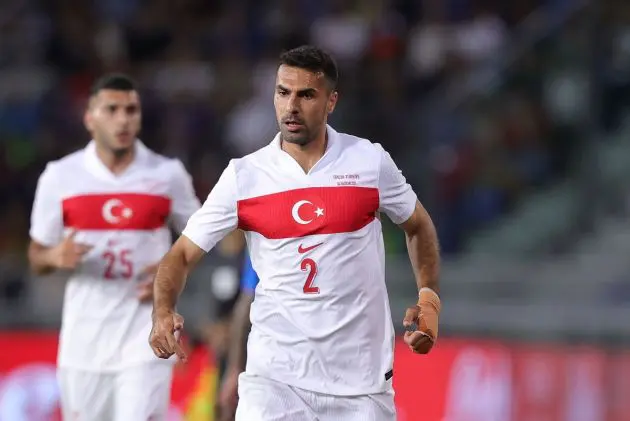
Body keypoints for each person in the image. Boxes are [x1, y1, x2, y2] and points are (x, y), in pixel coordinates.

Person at [149, 45, 442, 420]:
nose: (291, 106)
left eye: (306, 95)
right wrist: (162, 311)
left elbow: (418, 225)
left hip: (361, 384)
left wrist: (429, 297)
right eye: (282, 92)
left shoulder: (369, 162)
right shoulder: (245, 176)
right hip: (274, 380)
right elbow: (181, 255)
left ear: (331, 101)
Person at [27, 73, 201, 421]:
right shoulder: (60, 176)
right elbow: (35, 256)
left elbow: (199, 235)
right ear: (90, 118)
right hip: (84, 342)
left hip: (146, 336)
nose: (123, 119)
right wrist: (54, 255)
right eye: (112, 109)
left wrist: (174, 264)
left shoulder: (167, 174)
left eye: (131, 110)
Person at [216, 253, 259, 421]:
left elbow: (244, 305)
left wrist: (234, 370)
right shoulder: (262, 241)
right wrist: (234, 368)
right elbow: (245, 303)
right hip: (270, 361)